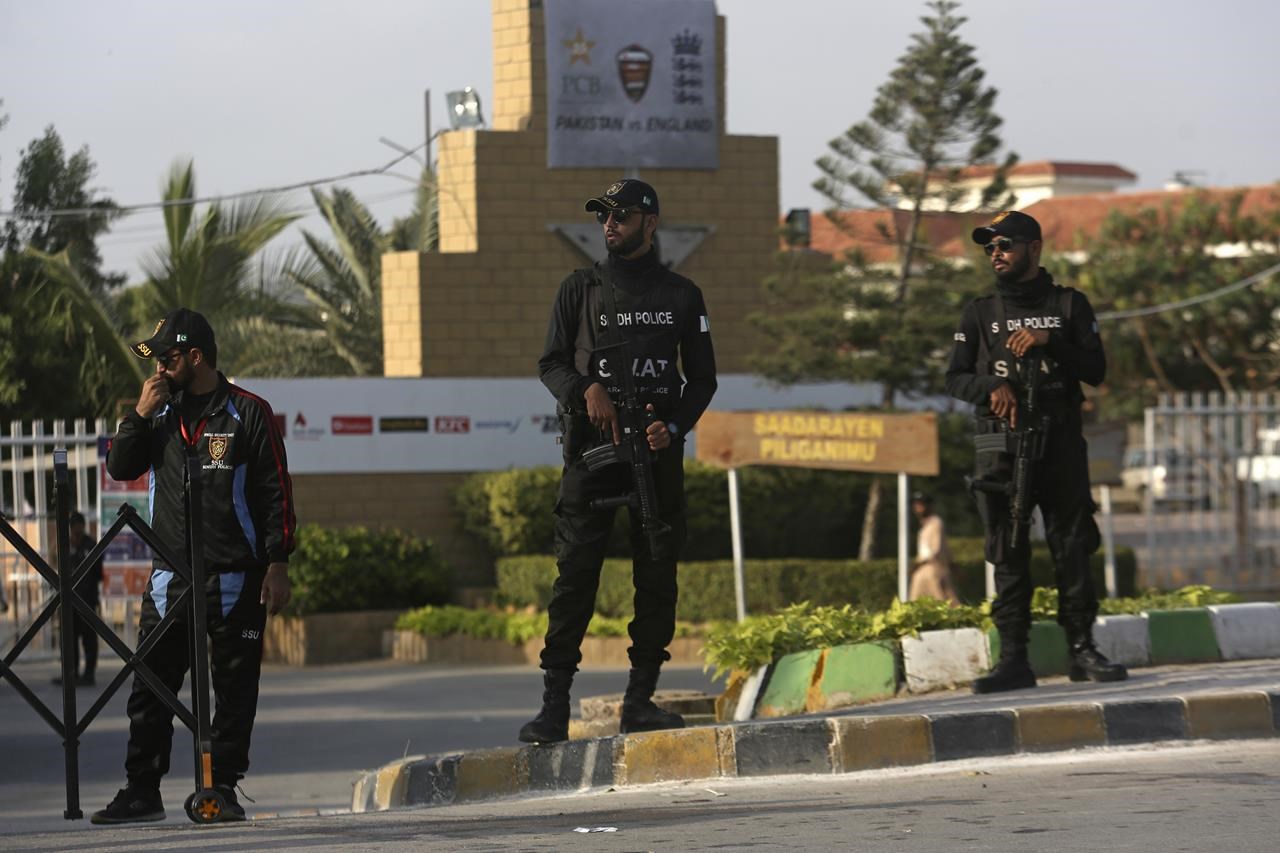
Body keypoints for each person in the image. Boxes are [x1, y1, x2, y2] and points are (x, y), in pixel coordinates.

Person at [520, 179, 717, 744]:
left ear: (649, 224)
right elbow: (550, 363)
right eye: (604, 216)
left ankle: (640, 700)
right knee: (575, 578)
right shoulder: (579, 288)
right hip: (592, 452)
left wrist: (672, 425)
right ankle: (554, 707)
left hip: (655, 455)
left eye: (622, 216)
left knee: (656, 576)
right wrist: (586, 390)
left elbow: (702, 379)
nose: (610, 225)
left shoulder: (683, 294)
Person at [91, 307, 295, 825]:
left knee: (234, 692)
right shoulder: (158, 412)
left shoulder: (248, 411)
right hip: (170, 578)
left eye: (167, 357)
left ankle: (220, 789)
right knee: (150, 688)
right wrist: (137, 413)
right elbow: (120, 466)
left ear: (195, 356)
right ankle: (142, 790)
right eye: (155, 358)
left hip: (235, 578)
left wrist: (278, 564)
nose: (158, 367)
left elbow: (276, 495)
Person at [945, 210, 1127, 694]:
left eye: (1005, 245)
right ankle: (1014, 660)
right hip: (999, 441)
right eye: (990, 248)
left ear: (1034, 249)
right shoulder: (979, 313)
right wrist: (991, 387)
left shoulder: (1069, 305)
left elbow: (1096, 370)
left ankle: (1082, 649)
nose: (996, 254)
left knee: (1071, 544)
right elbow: (954, 377)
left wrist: (1052, 342)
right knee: (1007, 547)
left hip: (1059, 435)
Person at [52, 511, 104, 687]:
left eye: (79, 529)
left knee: (89, 638)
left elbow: (98, 573)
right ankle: (70, 674)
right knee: (68, 639)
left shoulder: (90, 545)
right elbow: (56, 565)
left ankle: (89, 674)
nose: (77, 533)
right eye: (74, 529)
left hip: (87, 599)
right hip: (68, 601)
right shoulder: (64, 545)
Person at [909, 493, 959, 605]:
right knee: (918, 603)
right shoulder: (924, 525)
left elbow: (935, 550)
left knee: (945, 602)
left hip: (933, 567)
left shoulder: (936, 523)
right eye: (916, 504)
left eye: (921, 504)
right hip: (922, 569)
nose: (918, 507)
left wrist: (918, 564)